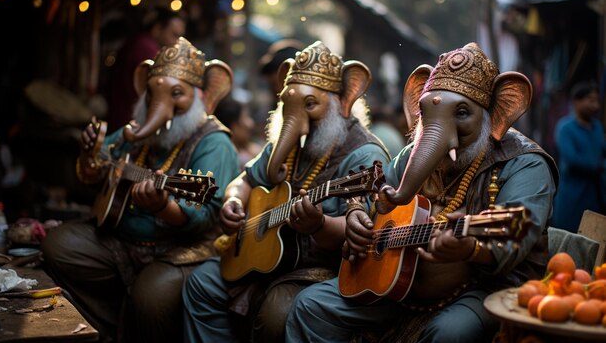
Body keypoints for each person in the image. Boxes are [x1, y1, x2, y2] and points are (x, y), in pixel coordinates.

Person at [285, 43, 558, 343]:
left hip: (484, 288)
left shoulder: (524, 163)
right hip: (397, 286)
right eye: (429, 114)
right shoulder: (412, 156)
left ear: (495, 113)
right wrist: (357, 213)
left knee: (449, 334)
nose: (437, 129)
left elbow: (518, 233)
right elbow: (373, 197)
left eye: (462, 113)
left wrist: (471, 249)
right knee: (311, 306)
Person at [182, 41, 391, 342]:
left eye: (309, 106)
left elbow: (367, 231)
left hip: (321, 270)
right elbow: (245, 180)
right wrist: (233, 201)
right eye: (289, 106)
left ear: (341, 99)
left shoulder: (364, 155)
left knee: (275, 312)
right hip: (264, 259)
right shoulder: (290, 143)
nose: (297, 117)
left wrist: (320, 225)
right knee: (201, 283)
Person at [41, 37, 238, 343]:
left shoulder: (214, 142)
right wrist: (88, 155)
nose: (162, 104)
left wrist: (162, 206)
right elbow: (94, 171)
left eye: (177, 94)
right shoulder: (138, 131)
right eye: (154, 92)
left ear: (203, 95)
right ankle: (105, 329)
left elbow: (202, 217)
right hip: (122, 239)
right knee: (59, 246)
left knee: (151, 296)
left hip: (180, 250)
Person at [106, 7, 187, 132]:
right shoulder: (146, 49)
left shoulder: (140, 43)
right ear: (157, 29)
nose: (176, 43)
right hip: (128, 123)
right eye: (174, 35)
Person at [552, 81, 606, 232]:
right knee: (569, 237)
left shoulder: (597, 128)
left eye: (597, 101)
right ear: (576, 101)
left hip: (595, 195)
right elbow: (572, 159)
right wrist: (599, 166)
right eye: (590, 100)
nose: (595, 105)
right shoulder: (565, 128)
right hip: (573, 194)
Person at [216, 97, 263, 170]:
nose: (251, 123)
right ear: (234, 126)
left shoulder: (254, 151)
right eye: (245, 117)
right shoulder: (226, 159)